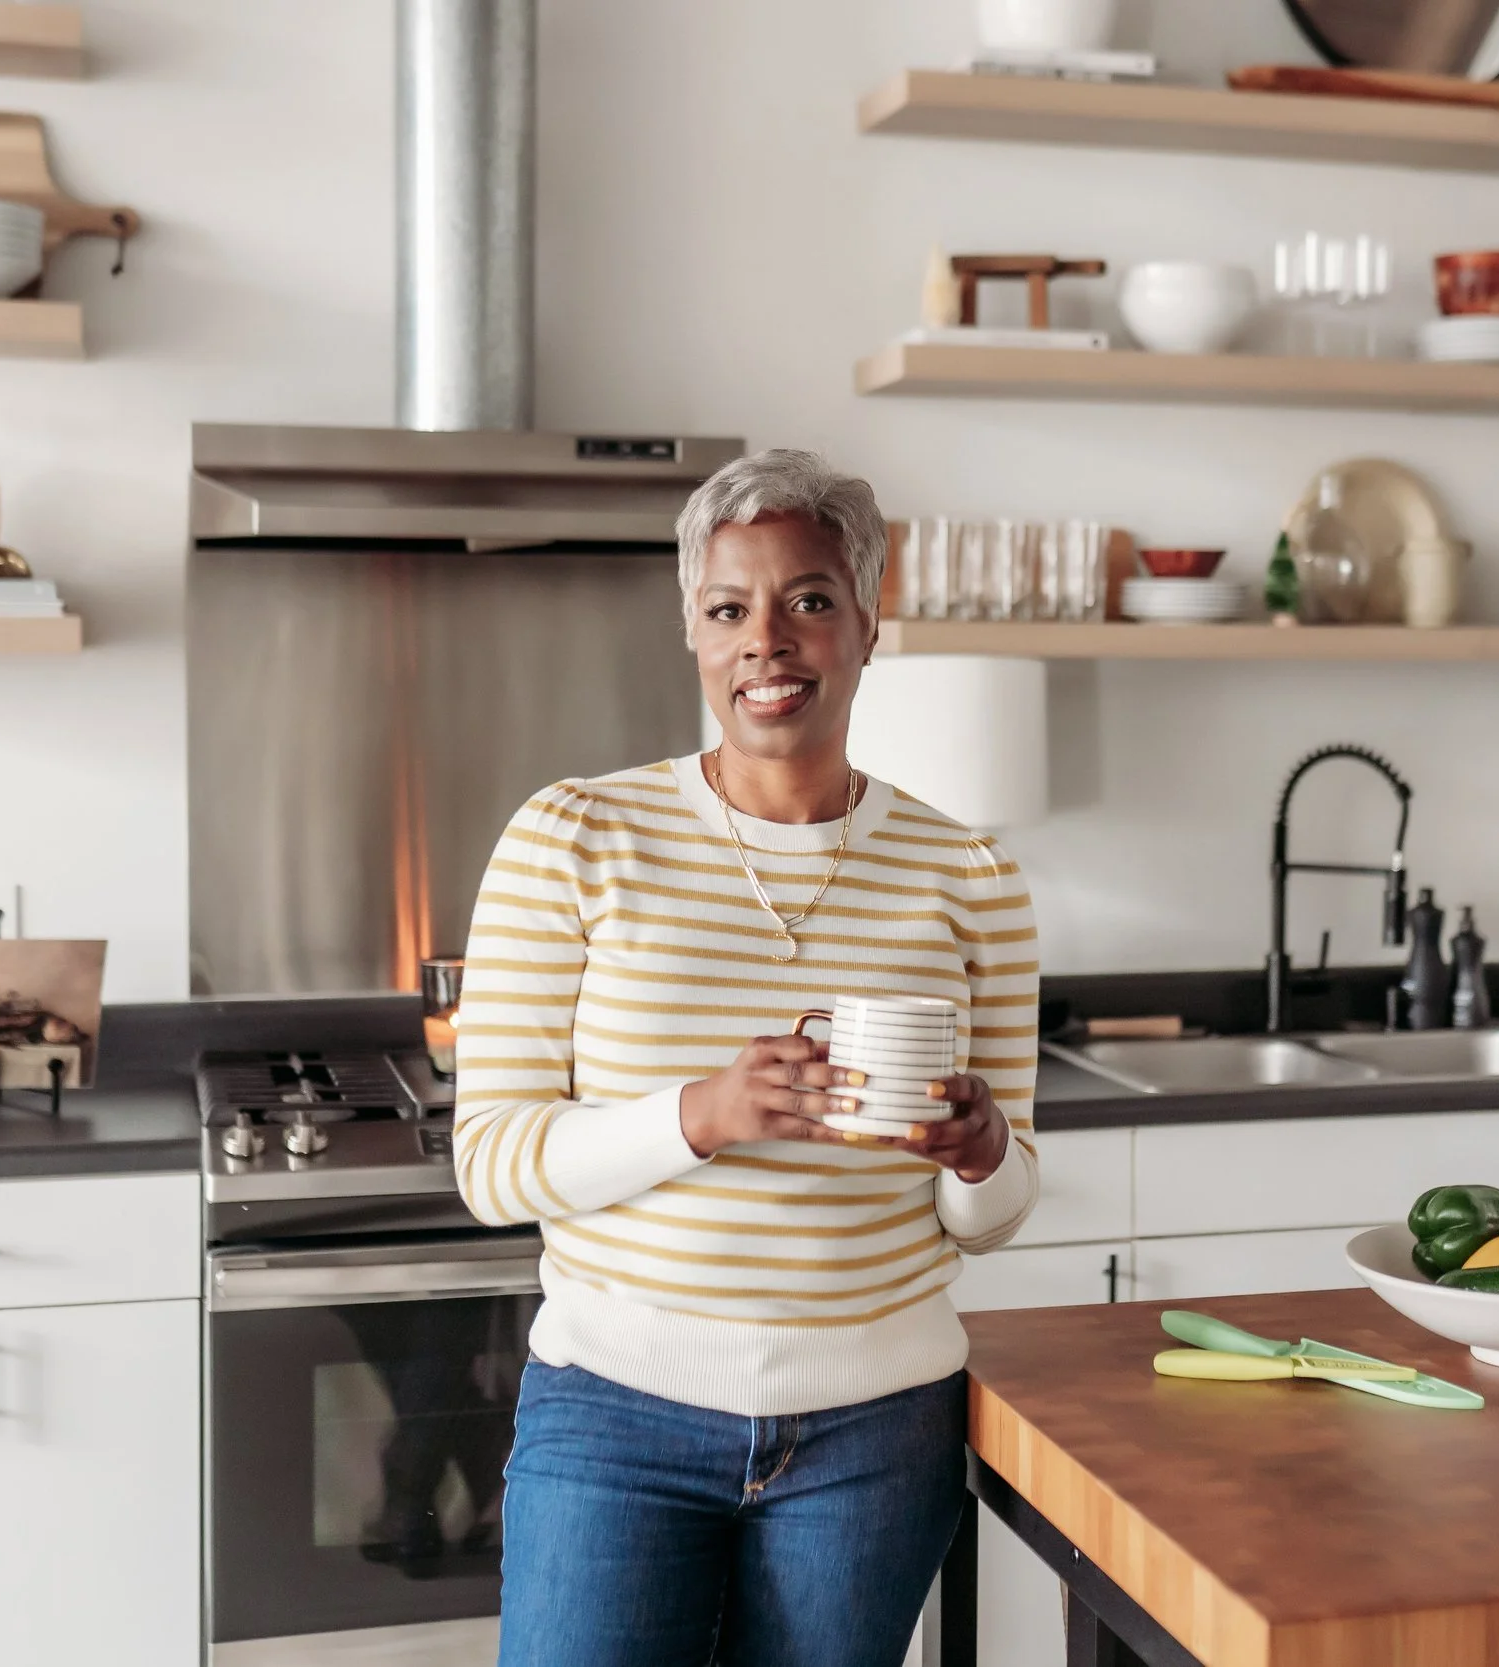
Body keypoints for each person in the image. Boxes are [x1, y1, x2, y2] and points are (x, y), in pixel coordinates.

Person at [454, 449, 1040, 1667]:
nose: (766, 640)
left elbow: (989, 1214)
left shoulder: (969, 875)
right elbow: (493, 1163)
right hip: (616, 1418)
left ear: (869, 624)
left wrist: (980, 1153)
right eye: (730, 609)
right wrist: (702, 1113)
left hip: (877, 1434)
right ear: (692, 628)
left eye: (809, 600)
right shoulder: (574, 836)